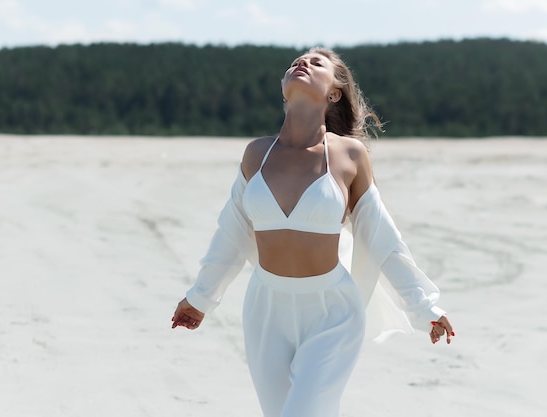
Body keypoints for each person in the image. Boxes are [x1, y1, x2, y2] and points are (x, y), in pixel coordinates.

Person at [171, 46, 455, 417]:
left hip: (331, 312)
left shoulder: (350, 156)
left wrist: (423, 305)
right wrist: (200, 297)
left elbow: (382, 236)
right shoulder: (256, 154)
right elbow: (231, 232)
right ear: (284, 87)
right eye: (295, 62)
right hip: (265, 310)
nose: (301, 63)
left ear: (334, 92)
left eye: (315, 62)